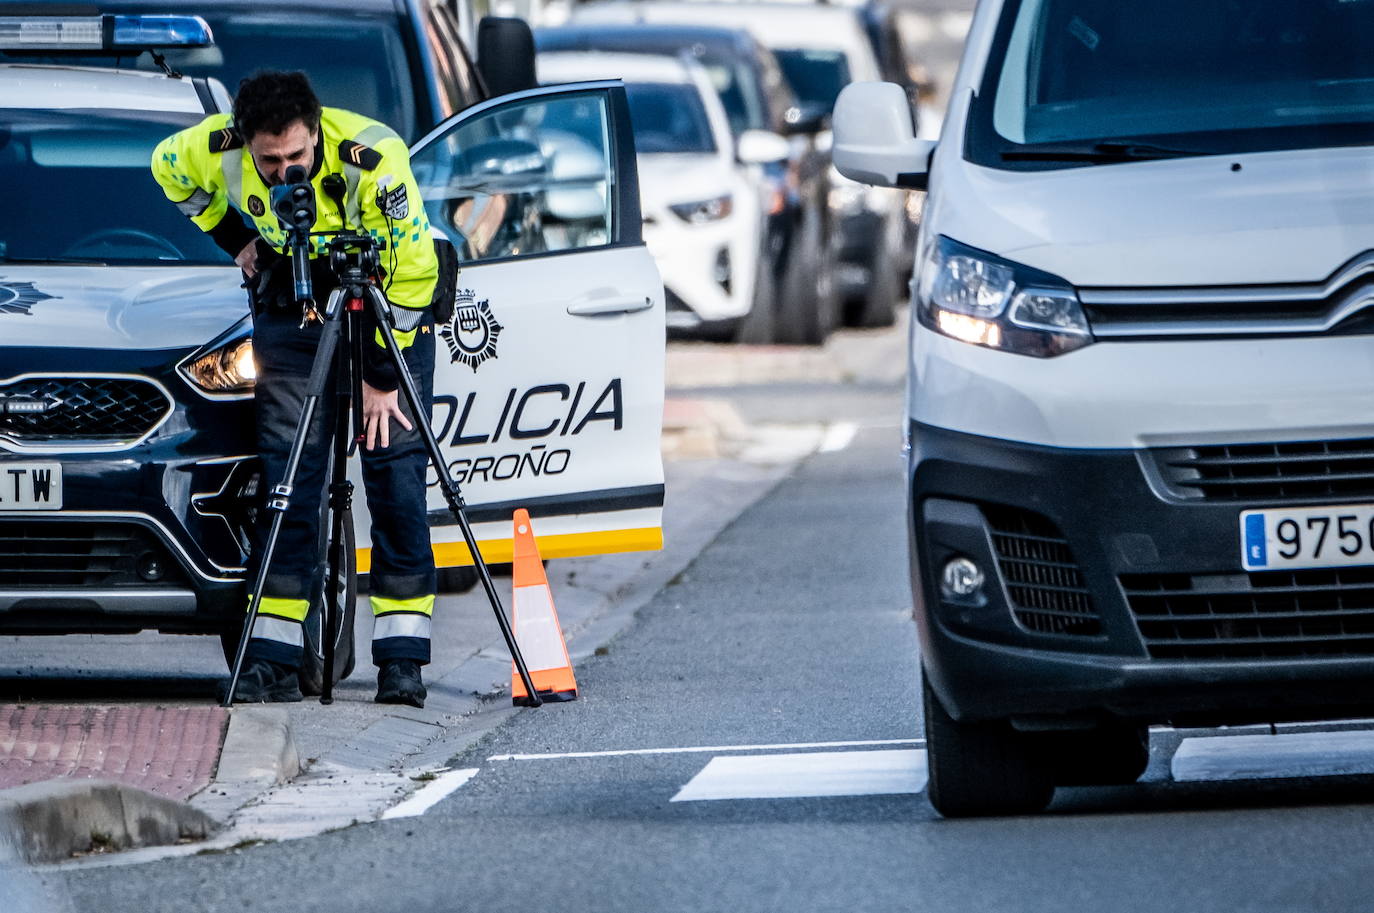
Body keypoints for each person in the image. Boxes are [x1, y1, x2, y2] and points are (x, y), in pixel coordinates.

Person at [152, 71, 440, 707]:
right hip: (294, 305)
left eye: (297, 158)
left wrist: (379, 380)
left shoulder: (373, 155)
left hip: (388, 311)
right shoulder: (214, 146)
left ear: (316, 133)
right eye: (269, 161)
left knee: (394, 482)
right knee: (289, 485)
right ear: (245, 144)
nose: (285, 172)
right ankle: (276, 662)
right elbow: (164, 166)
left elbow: (418, 276)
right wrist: (237, 240)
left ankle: (402, 661)